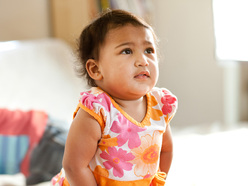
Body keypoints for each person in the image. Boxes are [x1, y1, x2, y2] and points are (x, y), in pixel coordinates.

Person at [51, 9, 178, 186]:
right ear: (96, 69)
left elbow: (166, 150)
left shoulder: (159, 104)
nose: (143, 60)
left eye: (149, 50)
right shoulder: (97, 111)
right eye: (127, 51)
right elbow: (74, 166)